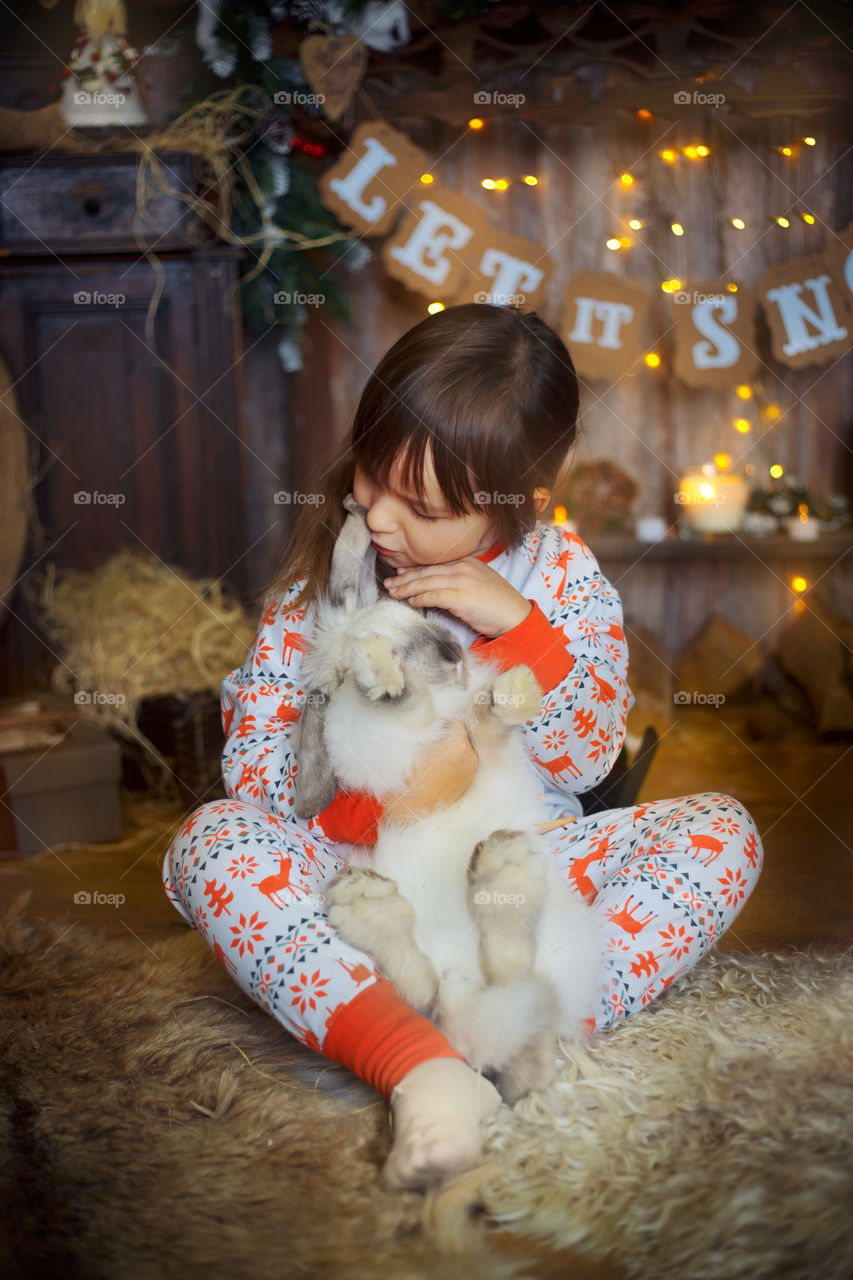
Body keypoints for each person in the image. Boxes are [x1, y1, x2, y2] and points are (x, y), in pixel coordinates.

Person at [161, 303, 763, 1191]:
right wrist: (394, 794)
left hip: (509, 882)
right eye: (372, 476)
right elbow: (254, 782)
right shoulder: (327, 581)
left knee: (722, 833)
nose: (383, 518)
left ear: (524, 506)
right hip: (354, 881)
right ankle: (418, 1062)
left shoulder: (557, 578)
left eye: (426, 506)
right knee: (208, 842)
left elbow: (593, 759)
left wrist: (522, 630)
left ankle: (533, 1031)